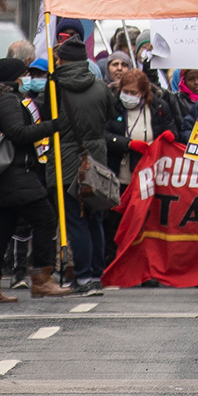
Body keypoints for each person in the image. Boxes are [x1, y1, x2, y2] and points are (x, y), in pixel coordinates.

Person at [0, 57, 71, 302]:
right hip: (14, 174)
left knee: (1, 230)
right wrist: (54, 126)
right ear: (14, 77)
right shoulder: (7, 99)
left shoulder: (0, 98)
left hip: (5, 176)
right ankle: (42, 278)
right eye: (24, 73)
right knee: (45, 219)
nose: (27, 77)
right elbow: (18, 134)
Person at [49, 37, 118, 295]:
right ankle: (96, 275)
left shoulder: (55, 86)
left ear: (63, 60)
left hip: (67, 162)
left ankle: (84, 275)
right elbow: (108, 116)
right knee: (94, 220)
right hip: (95, 161)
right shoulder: (101, 87)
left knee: (76, 221)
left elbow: (49, 117)